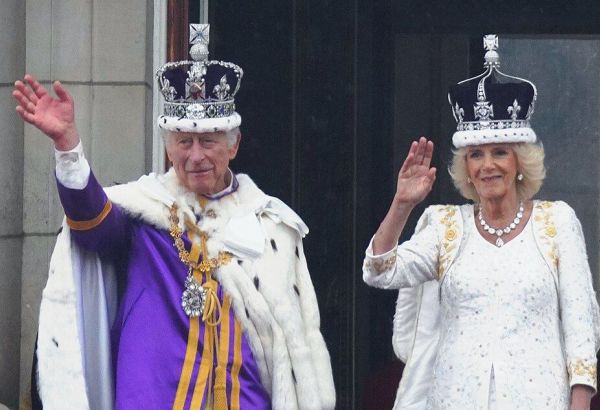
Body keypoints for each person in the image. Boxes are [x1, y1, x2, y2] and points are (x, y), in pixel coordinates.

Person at [13, 24, 335, 410]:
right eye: (183, 141)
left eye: (208, 141)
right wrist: (68, 146)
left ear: (234, 146)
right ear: (169, 147)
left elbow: (292, 346)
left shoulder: (273, 227)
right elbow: (92, 225)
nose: (195, 156)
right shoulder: (145, 214)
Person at [362, 35, 600, 409]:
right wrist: (402, 204)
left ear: (520, 162)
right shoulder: (445, 227)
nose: (488, 165)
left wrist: (580, 399)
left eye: (500, 152)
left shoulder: (557, 222)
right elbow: (380, 271)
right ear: (467, 169)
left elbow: (581, 322)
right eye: (476, 155)